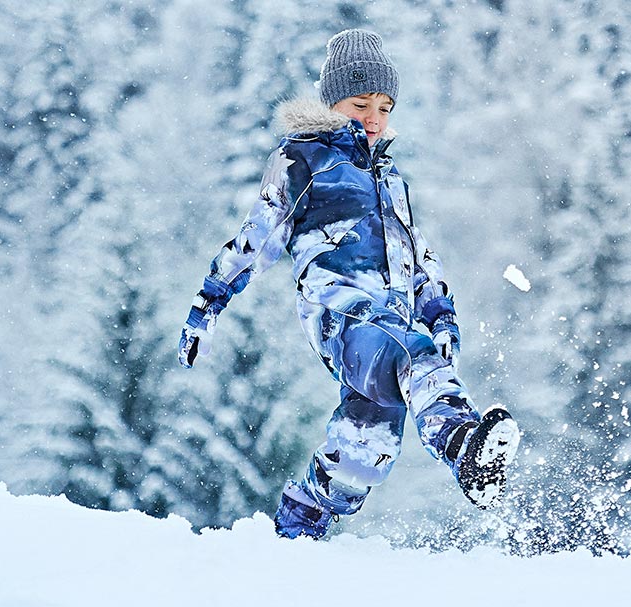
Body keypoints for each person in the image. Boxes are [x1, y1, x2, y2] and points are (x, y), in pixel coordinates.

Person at [178, 29, 520, 539]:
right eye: (361, 104)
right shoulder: (305, 159)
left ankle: (298, 527)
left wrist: (441, 316)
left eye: (385, 107)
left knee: (366, 450)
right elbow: (256, 238)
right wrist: (206, 307)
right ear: (333, 102)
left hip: (391, 317)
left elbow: (418, 256)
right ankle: (464, 447)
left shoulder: (390, 177)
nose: (374, 118)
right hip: (339, 310)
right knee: (412, 352)